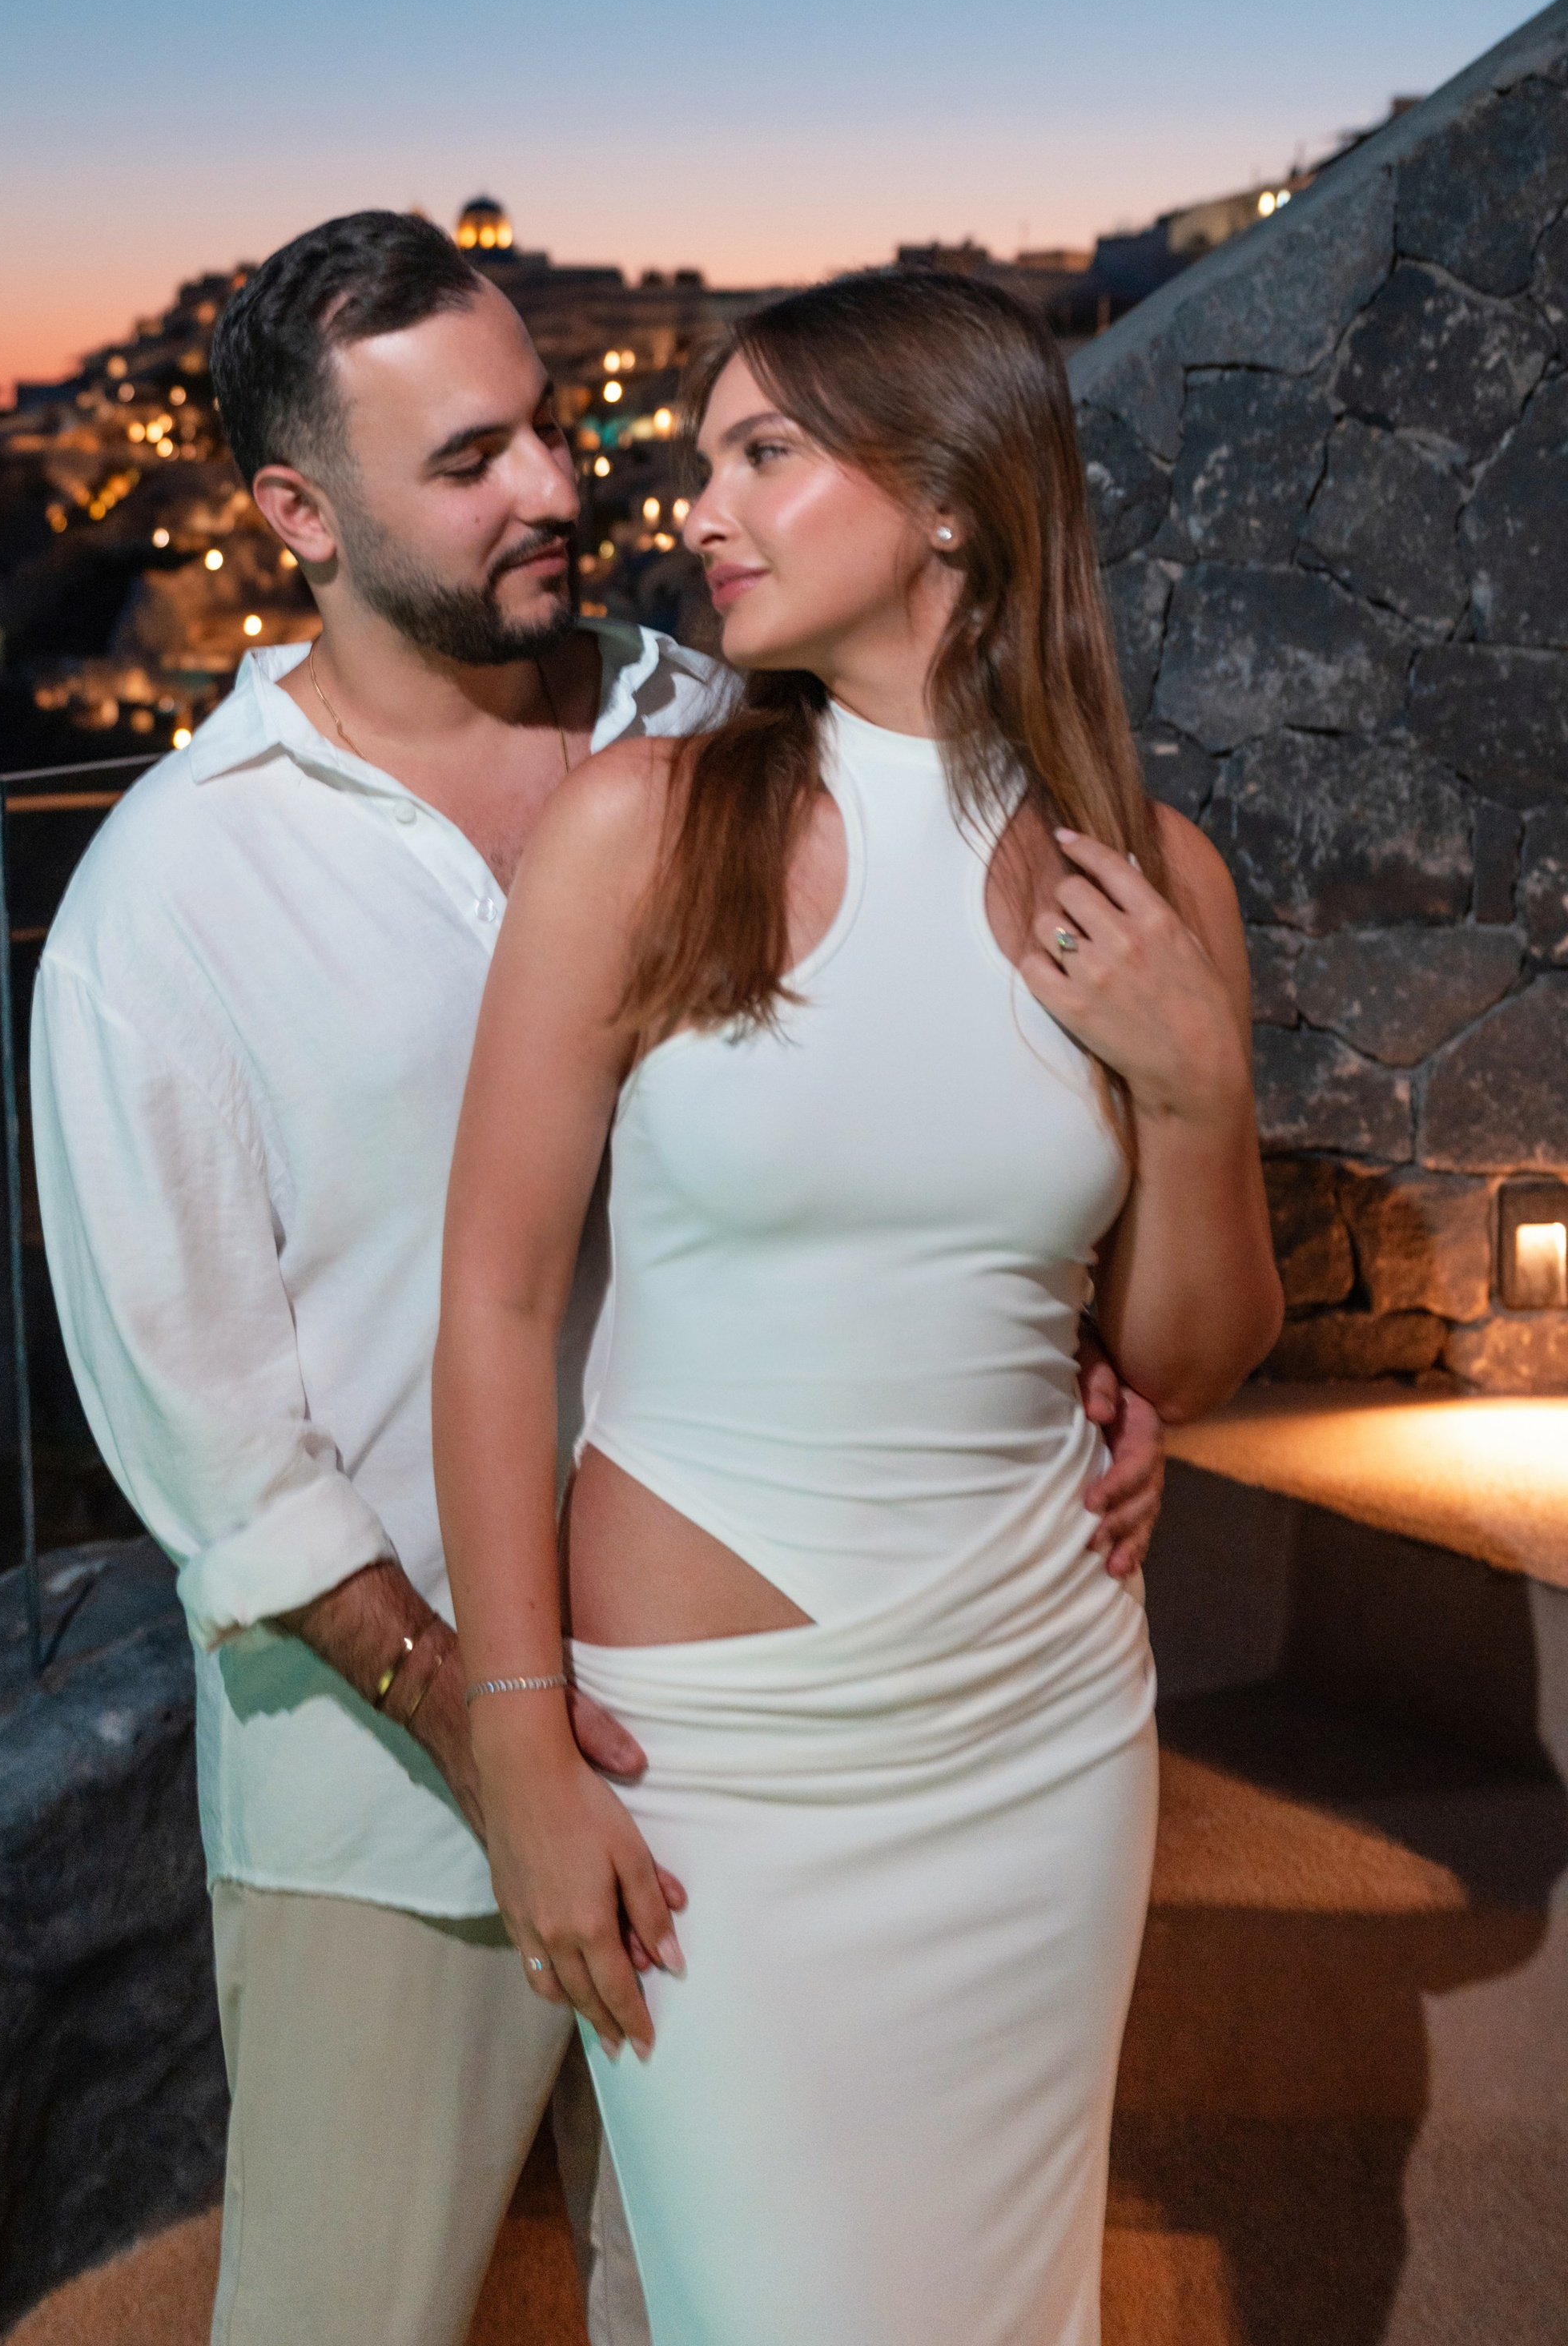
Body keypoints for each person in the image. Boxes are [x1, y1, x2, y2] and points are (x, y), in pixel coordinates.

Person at [31, 219, 1170, 2346]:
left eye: (548, 429)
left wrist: (1093, 1381)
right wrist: (497, 1723)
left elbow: (897, 1146)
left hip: (750, 1724)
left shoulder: (723, 726)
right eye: (470, 462)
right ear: (302, 516)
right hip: (400, 1776)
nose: (561, 490)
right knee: (342, 2315)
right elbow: (216, 1440)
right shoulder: (167, 902)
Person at [435, 269, 1281, 2346]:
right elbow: (492, 1296)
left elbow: (1185, 1354)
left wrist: (1197, 1084)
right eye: (705, 455)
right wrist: (520, 1748)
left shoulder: (1146, 874)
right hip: (717, 1757)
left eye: (764, 453)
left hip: (1040, 1709)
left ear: (954, 506)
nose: (697, 503)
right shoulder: (641, 831)